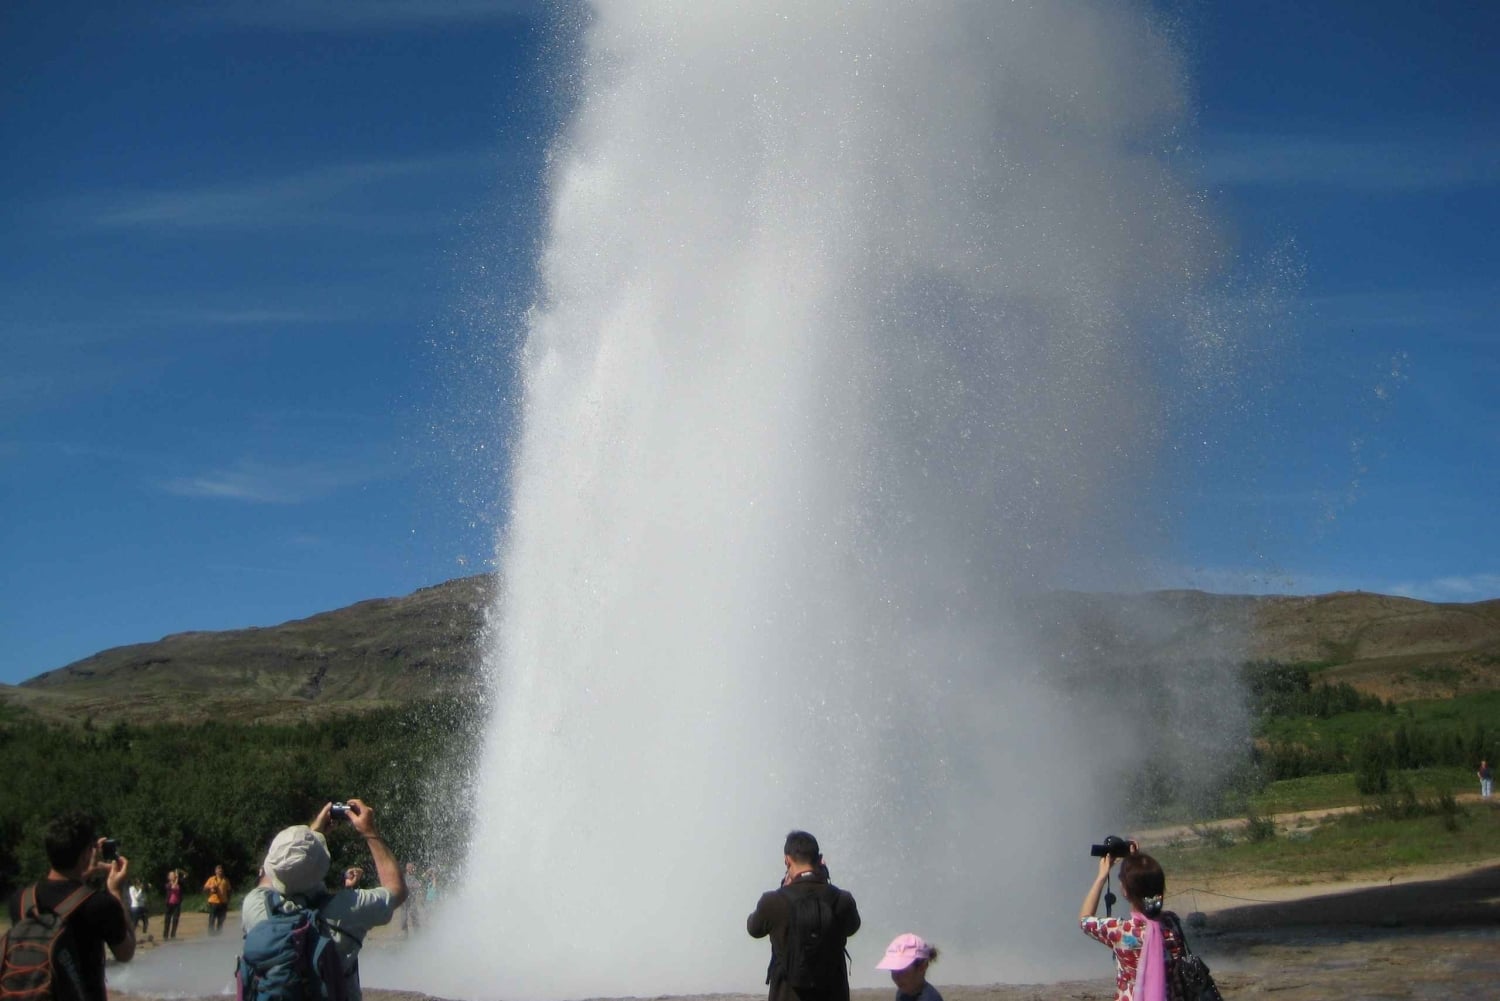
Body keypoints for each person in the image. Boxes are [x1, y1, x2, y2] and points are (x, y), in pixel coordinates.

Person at [240, 799, 407, 1001]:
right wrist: (369, 832)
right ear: (322, 866)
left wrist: (313, 833)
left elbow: (279, 874)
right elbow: (396, 890)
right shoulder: (349, 909)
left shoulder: (255, 905)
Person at [5, 811, 135, 1001]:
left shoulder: (20, 899)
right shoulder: (99, 904)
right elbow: (126, 952)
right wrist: (116, 891)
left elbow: (61, 895)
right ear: (86, 854)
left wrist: (84, 872)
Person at [747, 830, 861, 1001]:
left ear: (787, 860)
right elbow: (852, 927)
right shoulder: (842, 900)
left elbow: (753, 929)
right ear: (819, 858)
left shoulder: (772, 902)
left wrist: (783, 890)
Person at [1079, 844, 1184, 1001]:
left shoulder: (1120, 931)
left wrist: (1102, 876)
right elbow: (1148, 888)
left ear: (1126, 891)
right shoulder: (1171, 923)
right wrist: (1137, 861)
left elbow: (1085, 919)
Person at [202, 864, 232, 935]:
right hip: (213, 902)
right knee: (212, 918)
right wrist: (210, 888)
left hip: (223, 902)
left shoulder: (225, 880)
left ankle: (219, 933)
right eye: (218, 870)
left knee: (221, 919)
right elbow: (204, 889)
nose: (220, 872)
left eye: (221, 870)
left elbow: (229, 891)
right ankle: (211, 933)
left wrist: (228, 900)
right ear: (215, 871)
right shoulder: (211, 879)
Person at [398, 862, 424, 936]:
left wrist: (416, 886)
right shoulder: (403, 877)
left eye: (412, 868)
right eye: (410, 867)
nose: (412, 869)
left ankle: (418, 934)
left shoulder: (414, 878)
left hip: (412, 901)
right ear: (407, 868)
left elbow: (418, 885)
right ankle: (405, 935)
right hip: (404, 902)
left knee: (415, 916)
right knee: (404, 919)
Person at [162, 870, 183, 939]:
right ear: (168, 877)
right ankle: (165, 935)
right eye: (171, 875)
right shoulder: (167, 885)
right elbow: (173, 887)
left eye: (174, 875)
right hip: (169, 904)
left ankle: (173, 935)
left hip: (177, 904)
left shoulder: (179, 884)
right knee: (167, 920)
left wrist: (179, 877)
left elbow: (184, 878)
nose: (173, 876)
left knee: (175, 920)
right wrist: (177, 878)